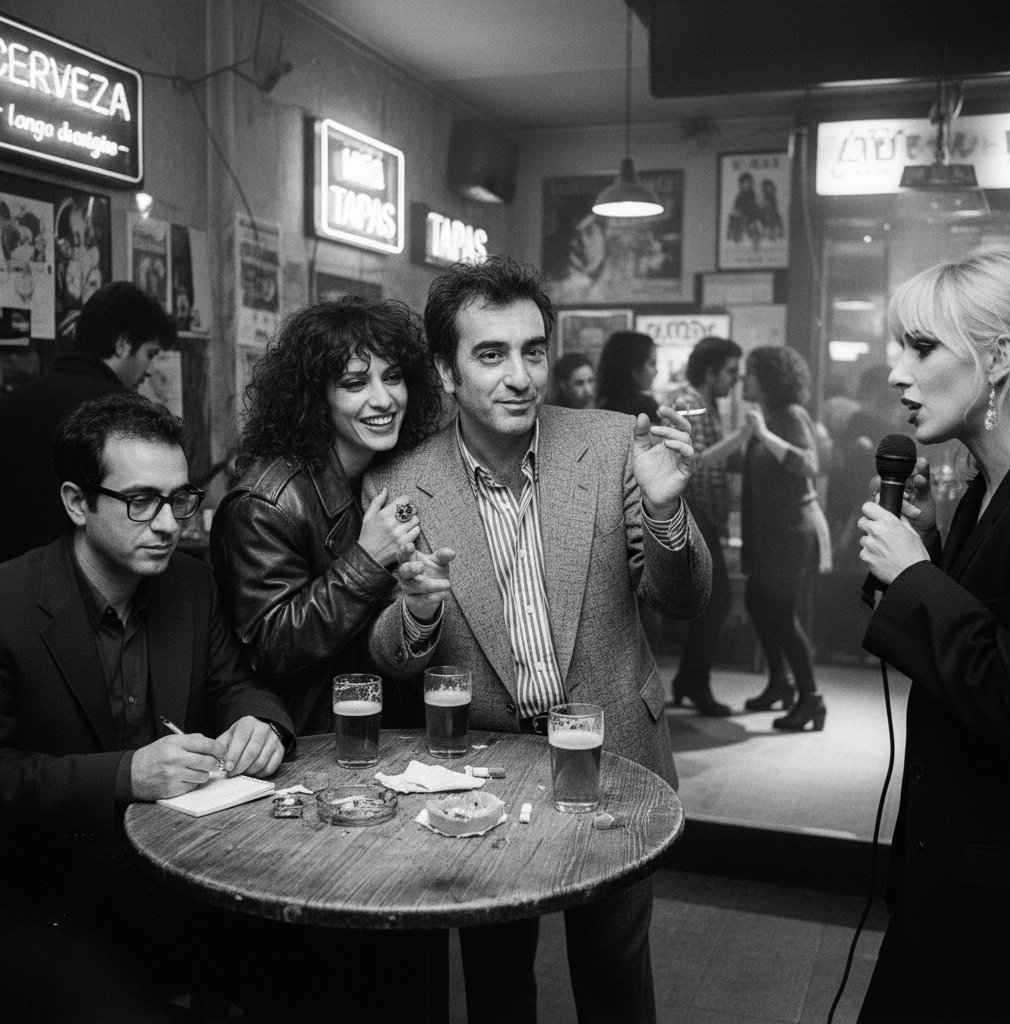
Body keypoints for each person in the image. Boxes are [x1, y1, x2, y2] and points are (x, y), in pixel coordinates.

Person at [363, 254, 712, 1024]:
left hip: (612, 750)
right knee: (496, 985)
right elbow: (387, 655)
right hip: (481, 772)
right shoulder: (399, 481)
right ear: (447, 374)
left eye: (532, 350)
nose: (519, 376)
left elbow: (683, 598)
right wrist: (419, 612)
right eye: (490, 354)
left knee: (615, 976)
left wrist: (664, 512)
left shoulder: (615, 442)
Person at [0, 393, 300, 1022]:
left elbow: (235, 685)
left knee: (321, 971)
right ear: (77, 503)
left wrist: (261, 723)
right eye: (141, 501)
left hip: (174, 877)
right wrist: (126, 775)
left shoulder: (188, 584)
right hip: (48, 898)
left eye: (180, 500)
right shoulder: (10, 604)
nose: (168, 523)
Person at [856, 244, 1010, 1023]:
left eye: (921, 348)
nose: (897, 372)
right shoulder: (983, 494)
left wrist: (919, 578)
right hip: (949, 876)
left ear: (998, 360)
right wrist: (922, 555)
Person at [210, 297, 443, 736]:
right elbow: (271, 648)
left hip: (391, 739)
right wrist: (366, 560)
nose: (384, 399)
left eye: (393, 377)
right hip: (310, 748)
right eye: (355, 383)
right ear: (317, 397)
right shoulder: (266, 504)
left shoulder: (392, 474)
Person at [0, 280, 174, 563]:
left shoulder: (16, 402)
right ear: (122, 343)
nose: (151, 370)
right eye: (150, 354)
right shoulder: (128, 414)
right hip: (87, 585)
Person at [740, 346, 831, 728]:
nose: (745, 380)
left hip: (793, 529)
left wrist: (761, 434)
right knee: (759, 603)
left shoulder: (790, 416)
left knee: (778, 611)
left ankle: (811, 699)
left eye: (750, 374)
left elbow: (809, 464)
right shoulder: (773, 416)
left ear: (767, 380)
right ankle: (780, 683)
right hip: (777, 531)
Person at [667, 335, 748, 715]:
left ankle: (690, 678)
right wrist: (742, 438)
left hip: (705, 516)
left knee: (715, 602)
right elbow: (693, 461)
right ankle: (694, 681)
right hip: (693, 515)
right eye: (730, 371)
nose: (735, 380)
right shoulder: (689, 403)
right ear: (711, 370)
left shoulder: (705, 404)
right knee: (717, 601)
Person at [596, 329, 660, 419]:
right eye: (652, 364)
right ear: (634, 367)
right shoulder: (645, 407)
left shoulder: (602, 404)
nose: (656, 372)